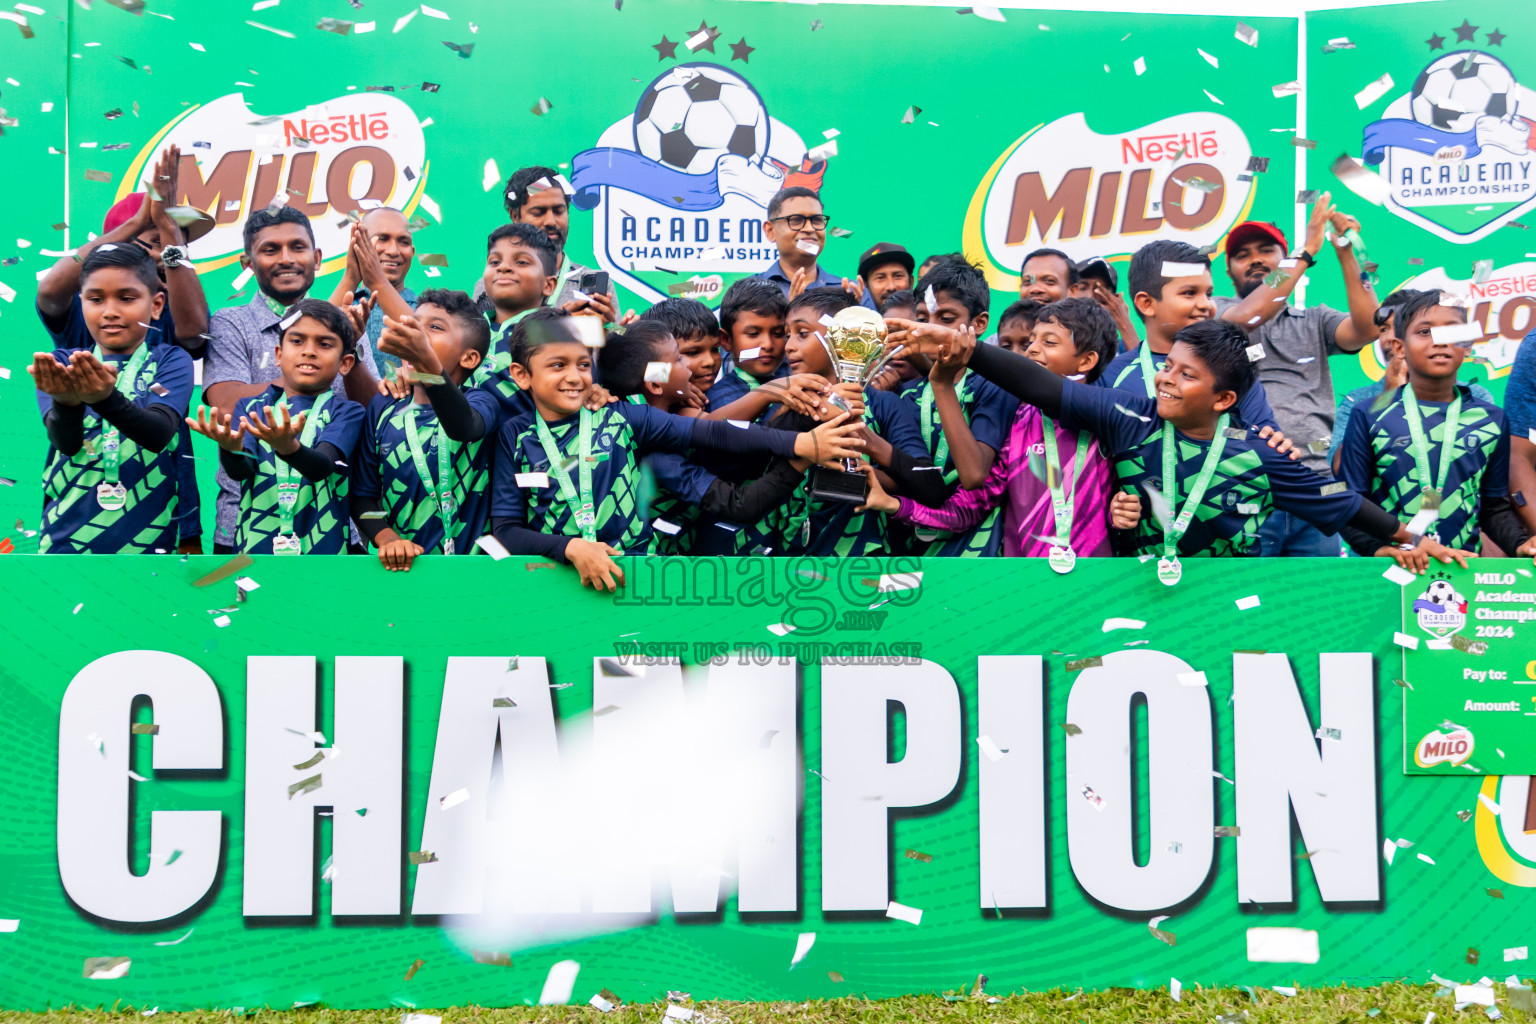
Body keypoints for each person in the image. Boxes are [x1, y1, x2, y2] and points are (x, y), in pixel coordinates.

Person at [889, 315, 1466, 573]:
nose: (1165, 379)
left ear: (1222, 401)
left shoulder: (1261, 456)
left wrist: (1406, 539)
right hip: (1140, 605)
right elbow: (1039, 385)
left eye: (1187, 376)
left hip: (1226, 612)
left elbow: (1338, 504)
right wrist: (966, 347)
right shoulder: (1129, 417)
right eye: (1169, 367)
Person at [487, 315, 863, 590]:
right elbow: (505, 531)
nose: (574, 376)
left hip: (636, 582)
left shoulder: (623, 418)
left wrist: (800, 445)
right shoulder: (513, 436)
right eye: (558, 365)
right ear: (522, 375)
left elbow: (714, 433)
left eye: (584, 365)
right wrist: (570, 547)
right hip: (547, 587)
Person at [861, 298, 1140, 564]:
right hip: (1019, 585)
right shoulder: (1018, 421)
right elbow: (968, 507)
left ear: (1086, 361)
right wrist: (894, 505)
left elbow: (1133, 502)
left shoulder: (1112, 419)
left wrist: (1124, 512)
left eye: (1049, 342)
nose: (1031, 349)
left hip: (1094, 581)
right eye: (1032, 341)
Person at [34, 145, 209, 553]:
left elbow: (196, 334)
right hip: (77, 510)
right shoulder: (82, 321)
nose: (167, 252)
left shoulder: (172, 307)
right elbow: (49, 288)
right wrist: (135, 224)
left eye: (177, 242)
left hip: (159, 498)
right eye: (156, 239)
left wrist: (166, 228)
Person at [202, 206, 379, 552]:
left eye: (297, 248)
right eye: (270, 249)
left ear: (316, 258)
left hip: (334, 531)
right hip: (248, 532)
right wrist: (229, 446)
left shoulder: (347, 325)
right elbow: (227, 405)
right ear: (247, 263)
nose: (286, 259)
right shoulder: (230, 322)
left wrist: (350, 346)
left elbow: (372, 413)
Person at [598, 320, 856, 556]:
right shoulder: (655, 455)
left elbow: (744, 449)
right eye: (679, 359)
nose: (691, 365)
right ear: (654, 384)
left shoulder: (680, 408)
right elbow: (740, 502)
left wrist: (806, 410)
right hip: (666, 576)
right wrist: (804, 453)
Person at [1214, 195, 1380, 555]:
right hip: (1241, 485)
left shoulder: (1315, 320)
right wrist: (1306, 250)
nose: (1255, 259)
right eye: (1242, 255)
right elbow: (1250, 315)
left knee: (1318, 606)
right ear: (1228, 272)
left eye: (1266, 250)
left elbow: (1368, 328)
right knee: (1243, 605)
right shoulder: (1218, 314)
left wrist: (1346, 252)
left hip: (1315, 487)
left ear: (1282, 259)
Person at [1337, 289, 1533, 563]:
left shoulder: (1492, 419)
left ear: (1467, 346)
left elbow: (1493, 508)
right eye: (1425, 332)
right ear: (1399, 347)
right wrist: (1376, 549)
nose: (1439, 342)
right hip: (1387, 570)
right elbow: (1349, 498)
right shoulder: (1368, 414)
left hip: (1463, 571)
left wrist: (1520, 544)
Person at [28, 244, 194, 553]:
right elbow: (66, 443)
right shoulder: (61, 362)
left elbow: (158, 432)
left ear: (156, 305)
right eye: (96, 299)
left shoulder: (171, 360)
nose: (110, 311)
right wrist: (66, 402)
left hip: (150, 552)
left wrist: (104, 398)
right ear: (82, 304)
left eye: (127, 298)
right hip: (64, 547)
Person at [768, 286, 950, 556]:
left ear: (844, 337)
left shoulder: (884, 404)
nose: (789, 346)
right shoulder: (784, 404)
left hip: (869, 567)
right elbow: (761, 468)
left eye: (802, 334)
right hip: (788, 560)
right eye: (788, 335)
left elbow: (930, 488)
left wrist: (869, 451)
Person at [190, 299, 365, 555]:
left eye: (324, 344)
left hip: (327, 554)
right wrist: (230, 449)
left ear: (345, 363)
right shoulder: (251, 407)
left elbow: (322, 467)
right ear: (278, 355)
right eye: (297, 341)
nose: (309, 351)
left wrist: (288, 448)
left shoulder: (347, 411)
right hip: (254, 553)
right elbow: (241, 471)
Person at [351, 290, 502, 571]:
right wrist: (388, 540)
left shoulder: (483, 402)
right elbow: (362, 495)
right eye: (414, 324)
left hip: (474, 576)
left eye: (434, 328)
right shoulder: (383, 406)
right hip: (400, 573)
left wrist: (426, 362)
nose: (416, 335)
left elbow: (464, 428)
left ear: (469, 358)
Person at [896, 258, 1018, 556]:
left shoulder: (995, 386)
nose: (931, 330)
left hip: (976, 555)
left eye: (946, 319)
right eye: (923, 319)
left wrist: (942, 384)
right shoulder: (907, 394)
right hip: (909, 550)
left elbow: (974, 474)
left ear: (979, 323)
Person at [1098, 241, 1278, 433]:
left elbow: (1259, 439)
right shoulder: (1109, 377)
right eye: (1189, 293)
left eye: (1208, 294)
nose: (1206, 304)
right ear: (1147, 304)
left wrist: (1220, 436)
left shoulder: (1234, 371)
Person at [501, 165, 619, 313]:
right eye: (538, 212)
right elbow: (494, 336)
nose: (551, 221)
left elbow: (613, 332)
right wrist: (562, 327)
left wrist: (617, 331)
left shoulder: (596, 284)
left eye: (559, 211)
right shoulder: (497, 284)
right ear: (515, 216)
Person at [327, 206, 419, 378]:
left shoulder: (425, 308)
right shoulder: (347, 303)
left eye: (404, 242)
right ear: (359, 245)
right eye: (382, 239)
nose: (393, 251)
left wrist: (377, 281)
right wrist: (351, 277)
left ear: (412, 252)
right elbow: (315, 334)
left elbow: (424, 343)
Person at [752, 187, 860, 302]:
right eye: (796, 220)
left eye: (817, 220)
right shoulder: (749, 293)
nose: (809, 228)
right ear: (770, 231)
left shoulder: (852, 292)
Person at [1070, 256, 1138, 350]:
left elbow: (1140, 363)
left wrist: (1124, 323)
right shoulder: (1052, 340)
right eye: (1082, 287)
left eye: (1099, 289)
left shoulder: (1121, 348)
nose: (1090, 296)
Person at [856, 243, 915, 310]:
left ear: (911, 281)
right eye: (880, 278)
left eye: (898, 276)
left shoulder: (927, 318)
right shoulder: (854, 319)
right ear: (866, 286)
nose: (891, 287)